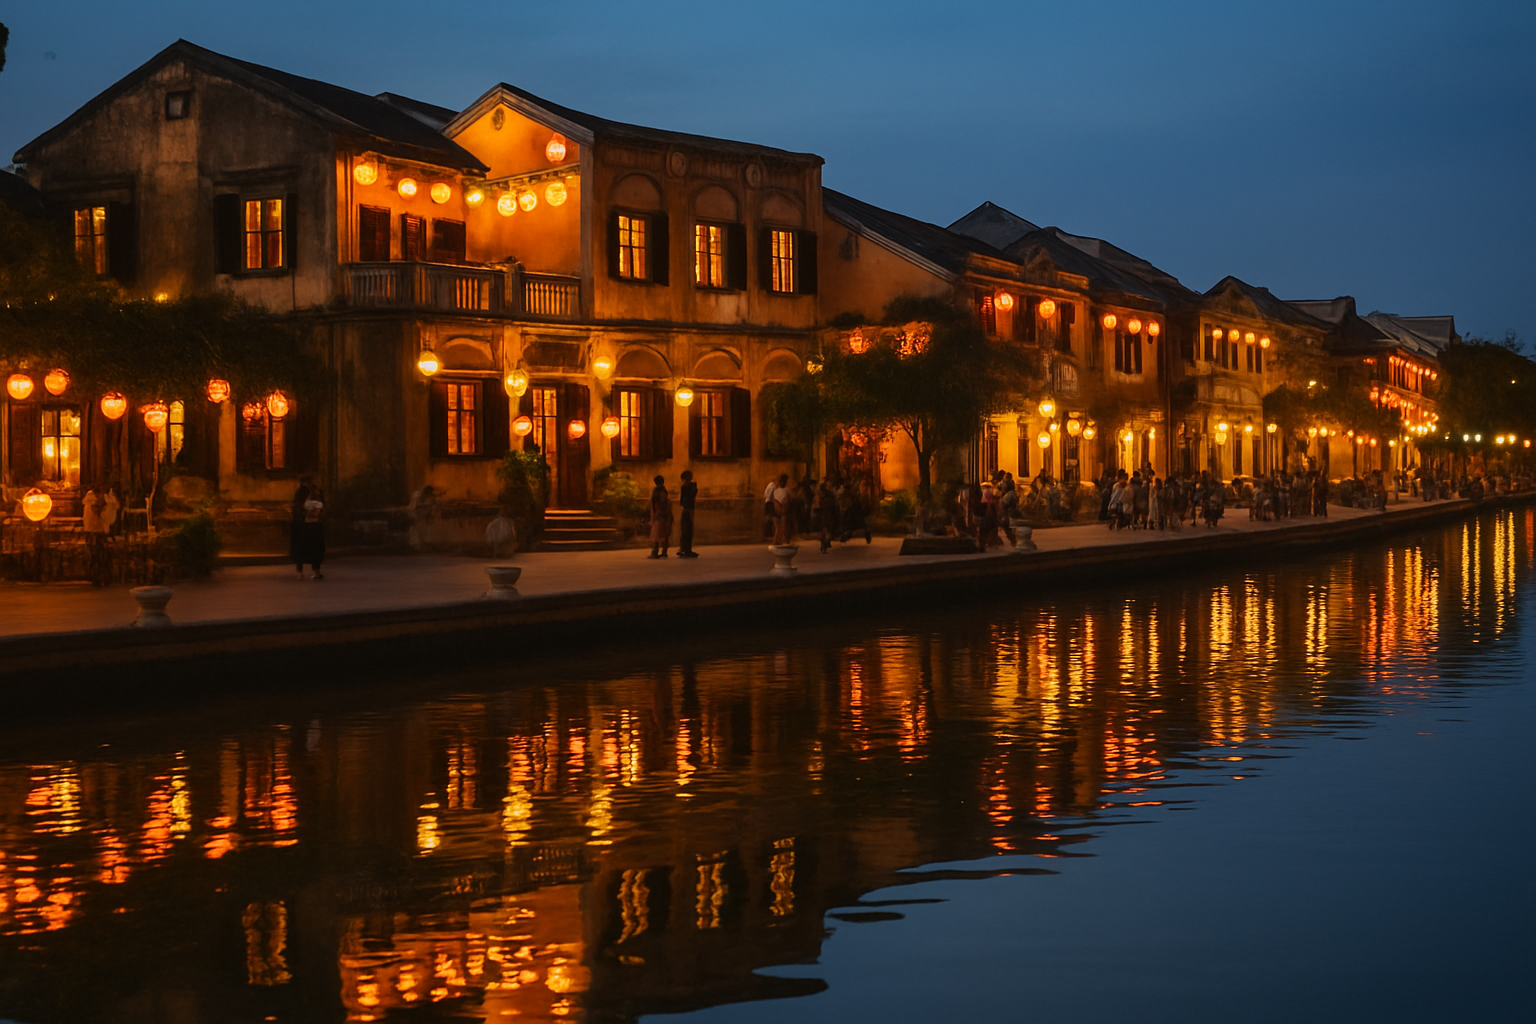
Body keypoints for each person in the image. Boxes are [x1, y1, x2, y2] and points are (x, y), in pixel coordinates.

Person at [300, 486, 326, 579]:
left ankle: (315, 570)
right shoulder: (317, 504)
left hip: (311, 525)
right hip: (314, 525)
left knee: (313, 549)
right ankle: (316, 571)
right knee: (316, 549)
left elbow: (309, 513)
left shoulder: (308, 504)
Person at [290, 476, 313, 580]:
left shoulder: (308, 493)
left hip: (302, 524)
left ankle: (300, 570)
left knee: (301, 548)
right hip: (303, 524)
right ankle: (302, 570)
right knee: (303, 548)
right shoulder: (304, 493)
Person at [648, 475, 672, 558]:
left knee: (657, 534)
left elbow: (656, 503)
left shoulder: (657, 491)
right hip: (665, 515)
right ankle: (664, 551)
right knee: (664, 534)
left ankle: (655, 551)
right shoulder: (664, 491)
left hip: (659, 515)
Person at [677, 470, 699, 557]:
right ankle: (686, 549)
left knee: (685, 530)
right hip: (690, 509)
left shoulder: (685, 487)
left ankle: (684, 548)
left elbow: (683, 500)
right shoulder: (692, 486)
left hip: (686, 509)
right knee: (688, 530)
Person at [771, 473, 792, 545]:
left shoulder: (786, 490)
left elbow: (788, 501)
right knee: (780, 527)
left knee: (781, 528)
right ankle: (779, 540)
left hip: (781, 510)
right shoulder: (777, 490)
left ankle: (781, 540)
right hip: (779, 511)